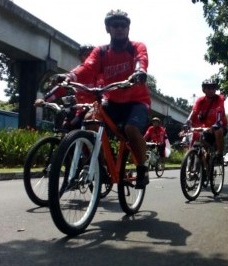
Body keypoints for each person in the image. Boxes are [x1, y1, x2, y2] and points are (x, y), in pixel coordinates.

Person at [52, 9, 151, 189]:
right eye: (115, 25)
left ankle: (142, 168)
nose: (119, 29)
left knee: (130, 129)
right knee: (90, 121)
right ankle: (101, 166)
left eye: (123, 25)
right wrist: (69, 77)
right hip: (112, 101)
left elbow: (141, 59)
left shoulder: (136, 46)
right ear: (108, 28)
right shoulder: (101, 52)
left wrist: (140, 71)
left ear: (128, 28)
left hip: (136, 102)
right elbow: (87, 67)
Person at [35, 44, 96, 130]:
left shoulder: (101, 71)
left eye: (91, 55)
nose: (89, 58)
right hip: (81, 109)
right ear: (80, 57)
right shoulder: (77, 71)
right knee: (66, 127)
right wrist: (44, 100)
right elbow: (62, 87)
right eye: (86, 55)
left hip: (98, 110)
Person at [186, 78, 228, 162]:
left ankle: (219, 155)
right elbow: (194, 111)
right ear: (203, 90)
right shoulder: (200, 100)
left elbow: (220, 110)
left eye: (213, 88)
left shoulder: (219, 98)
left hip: (219, 125)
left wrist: (217, 123)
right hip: (206, 128)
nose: (211, 90)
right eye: (208, 88)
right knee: (199, 142)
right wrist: (187, 122)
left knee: (218, 130)